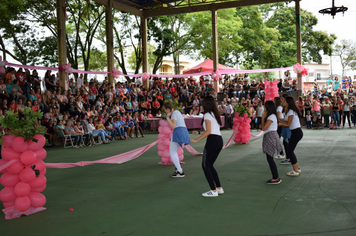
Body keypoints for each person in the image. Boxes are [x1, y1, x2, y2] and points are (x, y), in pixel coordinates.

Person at [190, 96, 224, 197]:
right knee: (210, 165)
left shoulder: (207, 115)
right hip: (218, 140)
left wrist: (196, 140)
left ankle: (213, 190)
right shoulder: (214, 114)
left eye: (203, 103)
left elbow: (209, 132)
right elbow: (211, 130)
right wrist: (199, 132)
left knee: (205, 166)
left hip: (212, 141)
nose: (201, 105)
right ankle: (218, 188)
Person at [164, 102, 191, 178]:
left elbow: (173, 126)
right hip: (181, 131)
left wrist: (167, 118)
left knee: (172, 152)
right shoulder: (177, 112)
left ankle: (180, 171)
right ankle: (178, 169)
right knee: (173, 151)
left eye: (165, 109)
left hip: (178, 132)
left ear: (168, 109)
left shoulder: (174, 114)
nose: (165, 111)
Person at [278, 96, 303, 176]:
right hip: (296, 132)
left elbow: (288, 124)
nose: (283, 102)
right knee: (290, 150)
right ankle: (297, 168)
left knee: (289, 150)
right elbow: (287, 121)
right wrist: (280, 120)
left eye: (284, 101)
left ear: (288, 103)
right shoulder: (290, 111)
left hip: (296, 132)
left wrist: (280, 124)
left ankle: (295, 170)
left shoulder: (290, 111)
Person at [261, 101, 283, 184]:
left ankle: (275, 177)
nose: (264, 109)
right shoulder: (272, 116)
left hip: (270, 136)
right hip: (271, 136)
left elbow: (263, 128)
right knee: (269, 158)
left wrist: (263, 118)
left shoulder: (271, 116)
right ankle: (275, 176)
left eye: (265, 107)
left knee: (270, 158)